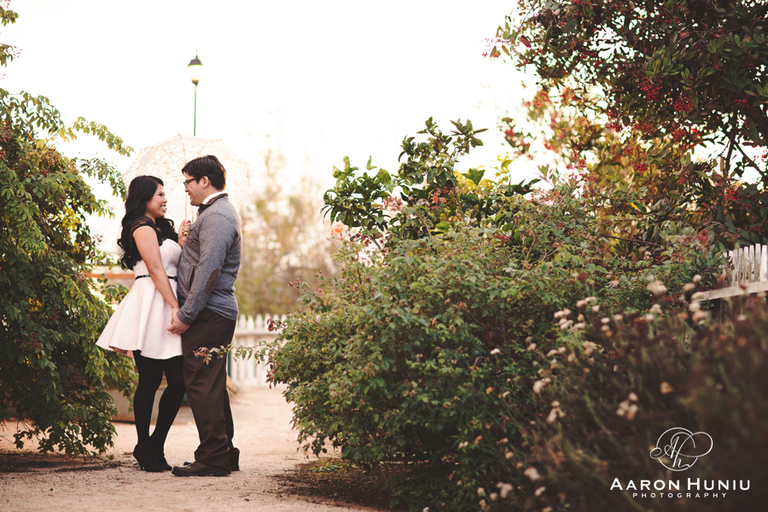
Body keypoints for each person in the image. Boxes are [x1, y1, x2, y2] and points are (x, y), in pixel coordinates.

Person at [96, 175, 192, 472]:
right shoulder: (140, 225)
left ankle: (153, 445)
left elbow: (173, 263)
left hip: (167, 297)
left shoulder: (161, 228)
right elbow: (154, 268)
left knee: (178, 382)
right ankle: (143, 444)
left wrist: (182, 241)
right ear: (145, 198)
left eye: (165, 194)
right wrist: (176, 307)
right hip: (152, 303)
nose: (165, 199)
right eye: (160, 194)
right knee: (149, 381)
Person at [167, 155, 242, 477]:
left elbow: (210, 271)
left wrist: (187, 313)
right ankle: (224, 453)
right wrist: (186, 242)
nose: (185, 188)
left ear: (204, 181)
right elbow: (201, 261)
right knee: (210, 383)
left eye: (187, 181)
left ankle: (213, 458)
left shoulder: (217, 217)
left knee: (200, 382)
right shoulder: (212, 215)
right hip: (212, 312)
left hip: (209, 313)